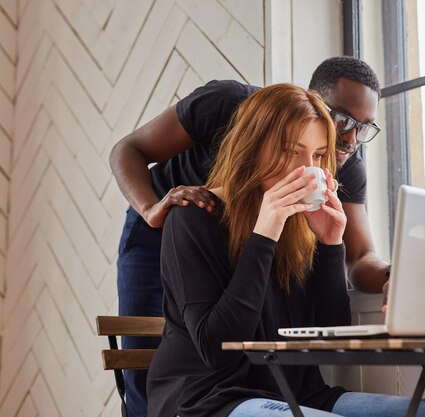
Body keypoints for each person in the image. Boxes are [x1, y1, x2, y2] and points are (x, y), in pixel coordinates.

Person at [146, 84, 425, 417]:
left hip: (298, 394)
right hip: (209, 399)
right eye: (293, 151)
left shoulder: (301, 224)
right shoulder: (193, 216)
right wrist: (264, 233)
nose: (308, 168)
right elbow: (217, 349)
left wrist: (330, 242)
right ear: (252, 147)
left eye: (319, 155)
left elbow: (327, 336)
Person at [110, 56, 390, 417]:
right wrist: (151, 209)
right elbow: (127, 149)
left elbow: (358, 262)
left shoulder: (334, 175)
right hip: (167, 220)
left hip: (262, 240)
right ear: (313, 100)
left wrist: (343, 249)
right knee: (151, 363)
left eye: (363, 128)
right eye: (342, 121)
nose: (350, 139)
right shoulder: (228, 105)